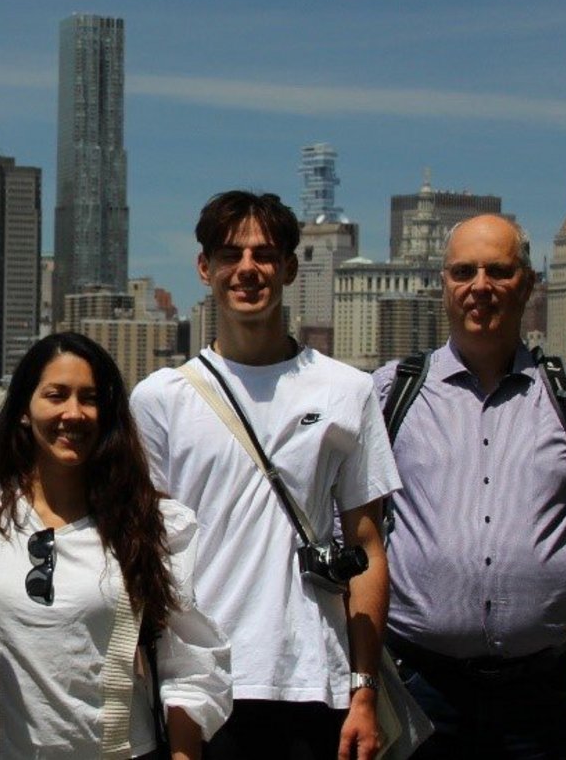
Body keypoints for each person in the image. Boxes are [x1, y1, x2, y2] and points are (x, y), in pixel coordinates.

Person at [130, 190, 401, 760]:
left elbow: (367, 548)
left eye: (265, 254)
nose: (247, 269)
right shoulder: (159, 399)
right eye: (231, 255)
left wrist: (364, 690)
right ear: (205, 268)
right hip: (196, 684)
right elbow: (141, 548)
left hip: (310, 680)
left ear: (290, 269)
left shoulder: (347, 390)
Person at [372, 215, 566, 758]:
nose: (480, 286)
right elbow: (354, 536)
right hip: (416, 684)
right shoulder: (389, 394)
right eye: (463, 271)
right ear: (444, 286)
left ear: (528, 283)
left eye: (498, 270)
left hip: (537, 695)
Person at [0, 332, 232, 760]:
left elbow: (191, 664)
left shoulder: (151, 526)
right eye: (56, 395)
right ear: (25, 409)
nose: (73, 414)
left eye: (90, 398)